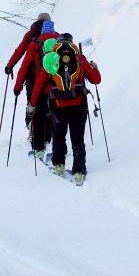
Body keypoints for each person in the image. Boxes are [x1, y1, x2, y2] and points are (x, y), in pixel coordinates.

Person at [30, 33, 101, 185]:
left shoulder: (50, 60)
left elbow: (39, 84)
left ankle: (59, 165)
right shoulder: (80, 59)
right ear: (72, 43)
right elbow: (96, 80)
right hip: (79, 105)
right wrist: (94, 67)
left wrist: (33, 104)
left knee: (58, 134)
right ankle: (78, 172)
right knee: (78, 138)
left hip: (57, 105)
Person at [8, 14, 59, 158]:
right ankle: (50, 138)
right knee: (53, 111)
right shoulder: (57, 39)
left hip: (34, 80)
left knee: (36, 109)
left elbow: (20, 55)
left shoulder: (32, 38)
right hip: (55, 83)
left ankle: (37, 143)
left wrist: (15, 81)